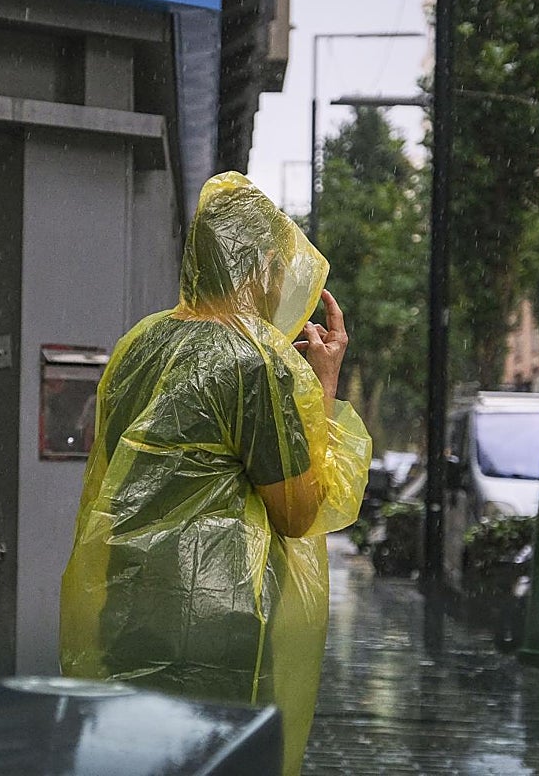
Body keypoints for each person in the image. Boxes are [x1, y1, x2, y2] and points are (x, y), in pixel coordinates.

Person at [60, 171, 372, 775]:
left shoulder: (139, 346)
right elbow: (299, 512)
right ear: (262, 267)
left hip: (125, 606)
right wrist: (324, 386)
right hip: (220, 620)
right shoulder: (256, 362)